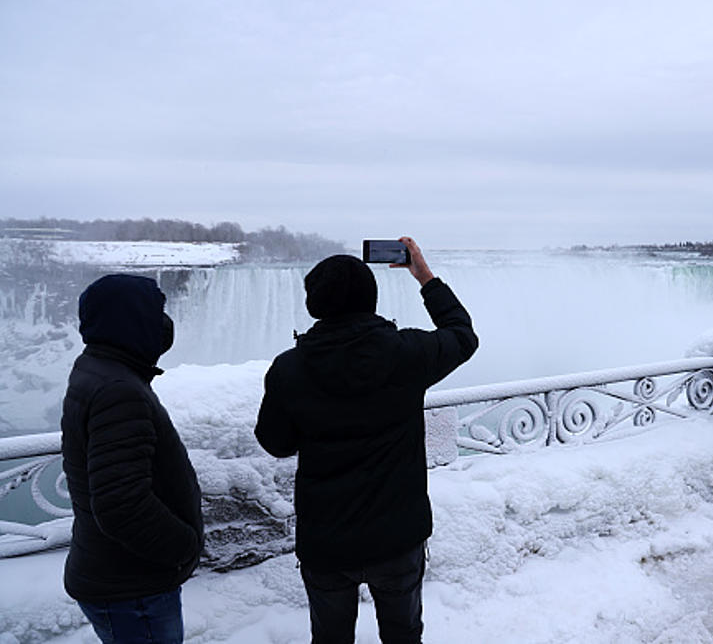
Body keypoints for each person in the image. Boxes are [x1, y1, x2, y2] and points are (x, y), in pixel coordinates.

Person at [254, 237, 478, 644]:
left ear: (314, 304)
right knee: (403, 633)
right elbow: (463, 336)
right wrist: (424, 276)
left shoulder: (289, 370)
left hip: (326, 542)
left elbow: (276, 443)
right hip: (398, 537)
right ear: (370, 299)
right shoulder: (407, 353)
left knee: (330, 637)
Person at [60, 274, 203, 644]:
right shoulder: (119, 391)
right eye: (158, 313)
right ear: (132, 320)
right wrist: (184, 547)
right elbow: (121, 504)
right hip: (133, 585)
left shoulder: (96, 369)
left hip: (115, 574)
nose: (165, 324)